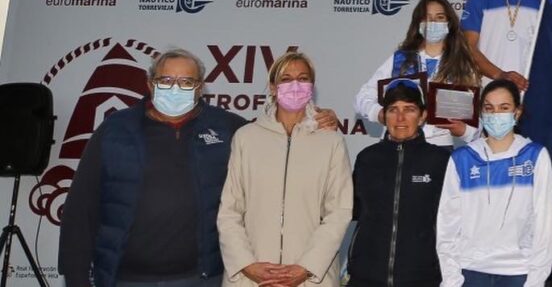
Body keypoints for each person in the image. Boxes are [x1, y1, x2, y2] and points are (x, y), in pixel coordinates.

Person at [59, 49, 248, 287]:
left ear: (200, 88)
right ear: (150, 84)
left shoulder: (228, 128)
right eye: (166, 80)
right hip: (126, 279)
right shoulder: (115, 130)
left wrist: (307, 123)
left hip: (202, 278)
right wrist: (76, 277)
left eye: (186, 81)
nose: (175, 88)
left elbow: (275, 145)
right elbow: (80, 207)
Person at [218, 52, 353, 287]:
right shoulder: (246, 138)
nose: (295, 85)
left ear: (312, 86)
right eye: (286, 79)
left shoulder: (331, 142)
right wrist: (247, 265)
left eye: (302, 78)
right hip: (251, 278)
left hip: (310, 279)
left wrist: (307, 267)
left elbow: (339, 212)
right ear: (272, 87)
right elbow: (229, 211)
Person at [436, 79, 552, 287]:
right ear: (481, 113)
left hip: (518, 272)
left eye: (504, 108)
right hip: (470, 272)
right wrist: (451, 278)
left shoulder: (535, 155)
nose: (496, 115)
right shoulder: (462, 158)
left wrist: (536, 279)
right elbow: (448, 224)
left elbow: (544, 223)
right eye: (489, 108)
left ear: (517, 113)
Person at [348, 79, 451, 287]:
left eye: (409, 109)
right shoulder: (367, 159)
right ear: (384, 116)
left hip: (422, 278)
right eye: (393, 109)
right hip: (365, 278)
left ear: (422, 116)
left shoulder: (441, 161)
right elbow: (350, 210)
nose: (400, 118)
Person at [356, 0, 480, 147]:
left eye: (440, 17)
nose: (433, 22)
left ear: (449, 23)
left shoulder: (463, 65)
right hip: (396, 143)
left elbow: (478, 122)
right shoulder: (400, 59)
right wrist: (379, 114)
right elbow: (363, 96)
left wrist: (464, 131)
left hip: (438, 147)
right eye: (427, 17)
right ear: (418, 23)